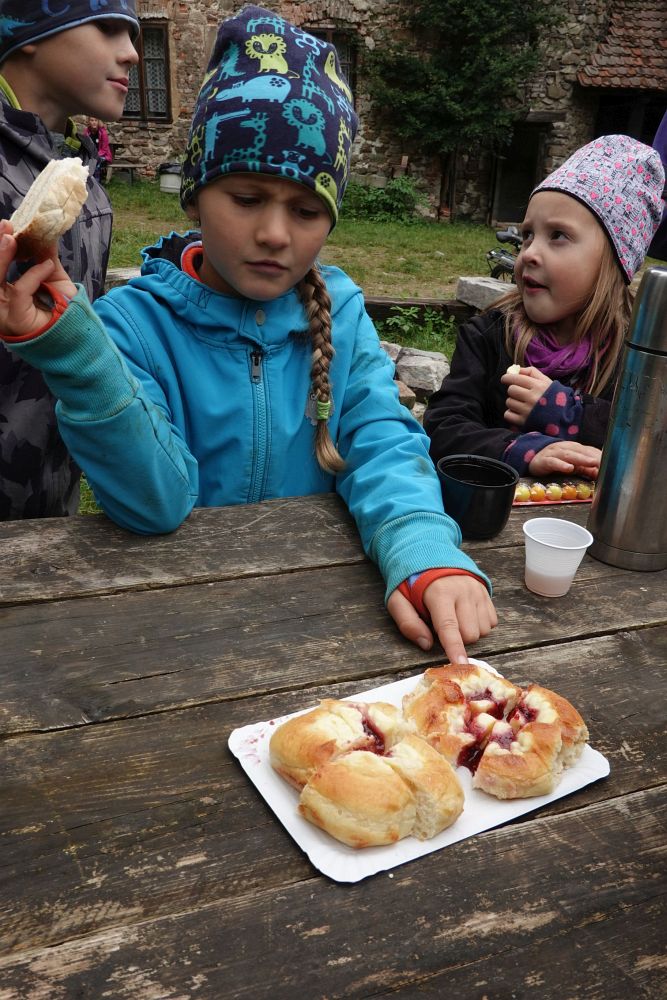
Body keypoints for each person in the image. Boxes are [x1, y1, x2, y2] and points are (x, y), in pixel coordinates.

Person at [0, 5, 497, 663]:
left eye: (306, 209)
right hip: (177, 637)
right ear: (195, 195)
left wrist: (424, 550)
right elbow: (155, 503)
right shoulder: (133, 326)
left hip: (326, 624)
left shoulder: (339, 310)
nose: (274, 234)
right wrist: (75, 353)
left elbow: (380, 445)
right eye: (245, 198)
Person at [424, 135, 664, 481]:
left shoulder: (636, 358)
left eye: (557, 236)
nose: (529, 254)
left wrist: (570, 414)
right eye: (527, 235)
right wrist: (522, 449)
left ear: (614, 260)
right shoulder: (490, 335)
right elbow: (442, 428)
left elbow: (652, 441)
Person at [0, 0, 139, 519]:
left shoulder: (80, 181)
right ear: (29, 31)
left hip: (51, 499)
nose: (131, 53)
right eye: (108, 29)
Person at [84, 116, 113, 184]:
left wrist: (95, 155)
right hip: (91, 154)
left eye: (96, 120)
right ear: (89, 122)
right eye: (92, 120)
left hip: (103, 155)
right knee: (85, 161)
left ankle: (97, 183)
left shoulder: (102, 132)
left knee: (96, 162)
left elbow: (104, 149)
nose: (94, 122)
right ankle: (88, 182)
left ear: (98, 122)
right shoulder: (87, 132)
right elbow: (86, 145)